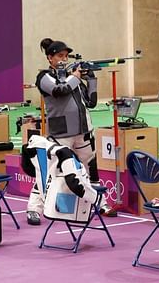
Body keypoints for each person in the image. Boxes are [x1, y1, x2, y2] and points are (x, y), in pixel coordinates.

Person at [25, 38, 115, 225]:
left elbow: (91, 102)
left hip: (83, 131)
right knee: (51, 172)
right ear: (50, 57)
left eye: (66, 56)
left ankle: (100, 203)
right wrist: (75, 76)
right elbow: (60, 90)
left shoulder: (73, 78)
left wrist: (90, 79)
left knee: (91, 169)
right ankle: (34, 208)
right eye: (59, 56)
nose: (63, 59)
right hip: (61, 133)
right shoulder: (44, 77)